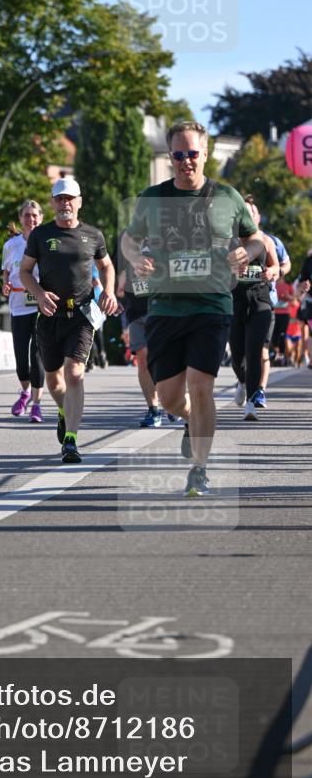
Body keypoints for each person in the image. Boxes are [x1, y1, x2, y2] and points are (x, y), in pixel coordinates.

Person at [121, 121, 264, 497]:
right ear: (171, 157)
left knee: (202, 386)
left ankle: (200, 468)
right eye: (179, 155)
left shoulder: (228, 197)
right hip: (166, 308)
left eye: (193, 154)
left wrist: (245, 251)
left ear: (205, 154)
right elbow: (128, 238)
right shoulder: (153, 198)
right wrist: (136, 258)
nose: (186, 161)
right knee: (169, 398)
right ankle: (189, 420)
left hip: (212, 305)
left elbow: (256, 238)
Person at [20, 177, 119, 464]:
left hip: (81, 314)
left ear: (79, 202)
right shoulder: (40, 235)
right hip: (50, 315)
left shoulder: (93, 235)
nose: (65, 204)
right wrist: (38, 294)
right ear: (52, 203)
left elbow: (107, 265)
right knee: (53, 378)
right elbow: (26, 271)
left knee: (74, 372)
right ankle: (64, 412)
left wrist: (109, 292)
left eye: (70, 199)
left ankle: (72, 441)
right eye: (59, 199)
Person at [229, 196, 279, 420]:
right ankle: (241, 380)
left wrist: (271, 272)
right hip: (235, 301)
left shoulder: (265, 241)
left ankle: (251, 401)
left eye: (251, 213)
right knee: (237, 355)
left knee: (254, 350)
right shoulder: (228, 241)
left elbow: (276, 266)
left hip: (260, 299)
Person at [2, 200, 45, 422]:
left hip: (40, 306)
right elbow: (6, 272)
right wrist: (5, 286)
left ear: (41, 218)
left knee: (36, 356)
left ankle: (36, 404)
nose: (31, 219)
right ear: (20, 219)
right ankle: (25, 391)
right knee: (21, 360)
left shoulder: (47, 242)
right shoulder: (11, 245)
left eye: (35, 215)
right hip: (18, 306)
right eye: (27, 215)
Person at [116, 237, 163, 429]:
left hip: (161, 311)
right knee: (142, 360)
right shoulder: (128, 241)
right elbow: (120, 287)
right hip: (136, 313)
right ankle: (153, 409)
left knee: (164, 359)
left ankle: (174, 400)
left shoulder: (166, 236)